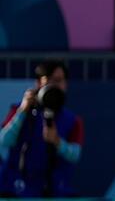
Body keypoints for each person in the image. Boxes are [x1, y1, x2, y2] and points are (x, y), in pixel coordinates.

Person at [0, 60, 84, 197]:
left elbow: (75, 155)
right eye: (49, 80)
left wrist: (57, 142)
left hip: (53, 191)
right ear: (38, 83)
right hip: (14, 190)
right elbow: (4, 141)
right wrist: (22, 111)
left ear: (65, 84)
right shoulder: (19, 110)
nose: (54, 85)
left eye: (58, 81)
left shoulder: (74, 121)